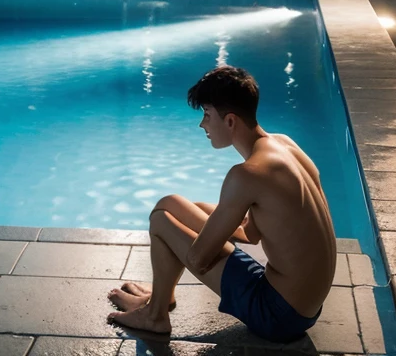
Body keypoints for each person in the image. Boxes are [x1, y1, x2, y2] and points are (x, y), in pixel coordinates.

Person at [107, 65, 337, 343]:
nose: (202, 124)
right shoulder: (285, 146)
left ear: (229, 121)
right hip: (305, 307)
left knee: (160, 219)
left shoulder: (247, 174)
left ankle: (155, 316)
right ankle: (160, 297)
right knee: (174, 205)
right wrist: (195, 212)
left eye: (206, 114)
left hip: (276, 313)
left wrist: (181, 218)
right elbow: (251, 234)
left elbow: (198, 260)